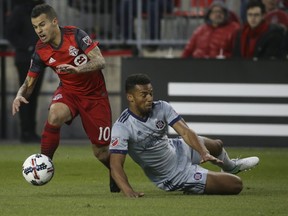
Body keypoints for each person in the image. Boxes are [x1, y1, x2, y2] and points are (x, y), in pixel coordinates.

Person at [11, 3, 119, 192]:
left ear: (54, 21)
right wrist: (20, 95)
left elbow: (100, 61)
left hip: (95, 96)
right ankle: (44, 163)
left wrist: (78, 69)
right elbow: (29, 83)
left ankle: (116, 172)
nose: (39, 31)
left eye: (42, 25)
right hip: (69, 92)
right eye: (35, 27)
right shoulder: (40, 50)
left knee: (101, 152)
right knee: (55, 114)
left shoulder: (76, 35)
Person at [109, 73, 259, 198]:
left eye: (151, 93)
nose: (149, 98)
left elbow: (186, 132)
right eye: (144, 95)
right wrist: (128, 190)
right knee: (235, 185)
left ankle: (231, 167)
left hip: (177, 148)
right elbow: (115, 164)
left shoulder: (161, 107)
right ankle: (195, 184)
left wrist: (203, 152)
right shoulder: (122, 127)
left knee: (217, 145)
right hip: (174, 174)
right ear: (130, 97)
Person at [6, 0, 45, 142]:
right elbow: (9, 33)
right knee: (26, 95)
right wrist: (26, 46)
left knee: (32, 95)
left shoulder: (41, 10)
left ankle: (30, 131)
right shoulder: (20, 11)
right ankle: (26, 131)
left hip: (38, 59)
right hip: (25, 58)